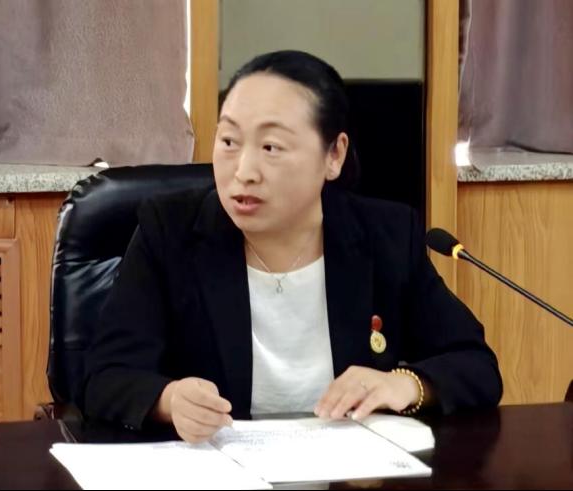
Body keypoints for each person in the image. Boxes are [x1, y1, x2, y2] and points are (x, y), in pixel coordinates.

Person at [84, 51, 502, 443]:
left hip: (350, 473)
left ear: (334, 155)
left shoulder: (385, 236)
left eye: (271, 147)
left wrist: (403, 385)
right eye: (228, 141)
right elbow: (104, 376)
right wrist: (170, 400)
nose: (243, 172)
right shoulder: (170, 232)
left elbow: (475, 365)